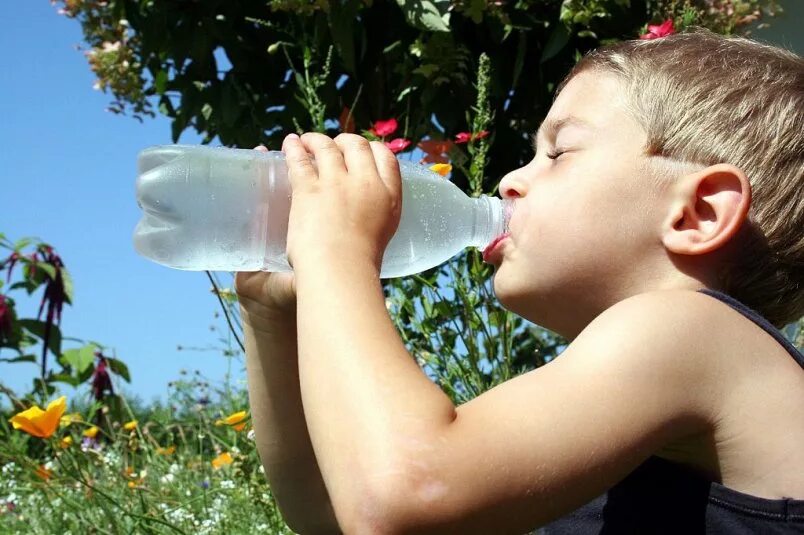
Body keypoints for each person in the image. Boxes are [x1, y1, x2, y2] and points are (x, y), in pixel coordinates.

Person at [235, 27, 804, 534]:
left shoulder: (691, 328)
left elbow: (405, 499)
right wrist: (271, 315)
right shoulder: (633, 393)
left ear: (696, 214)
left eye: (558, 152)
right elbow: (328, 513)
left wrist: (336, 250)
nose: (510, 179)